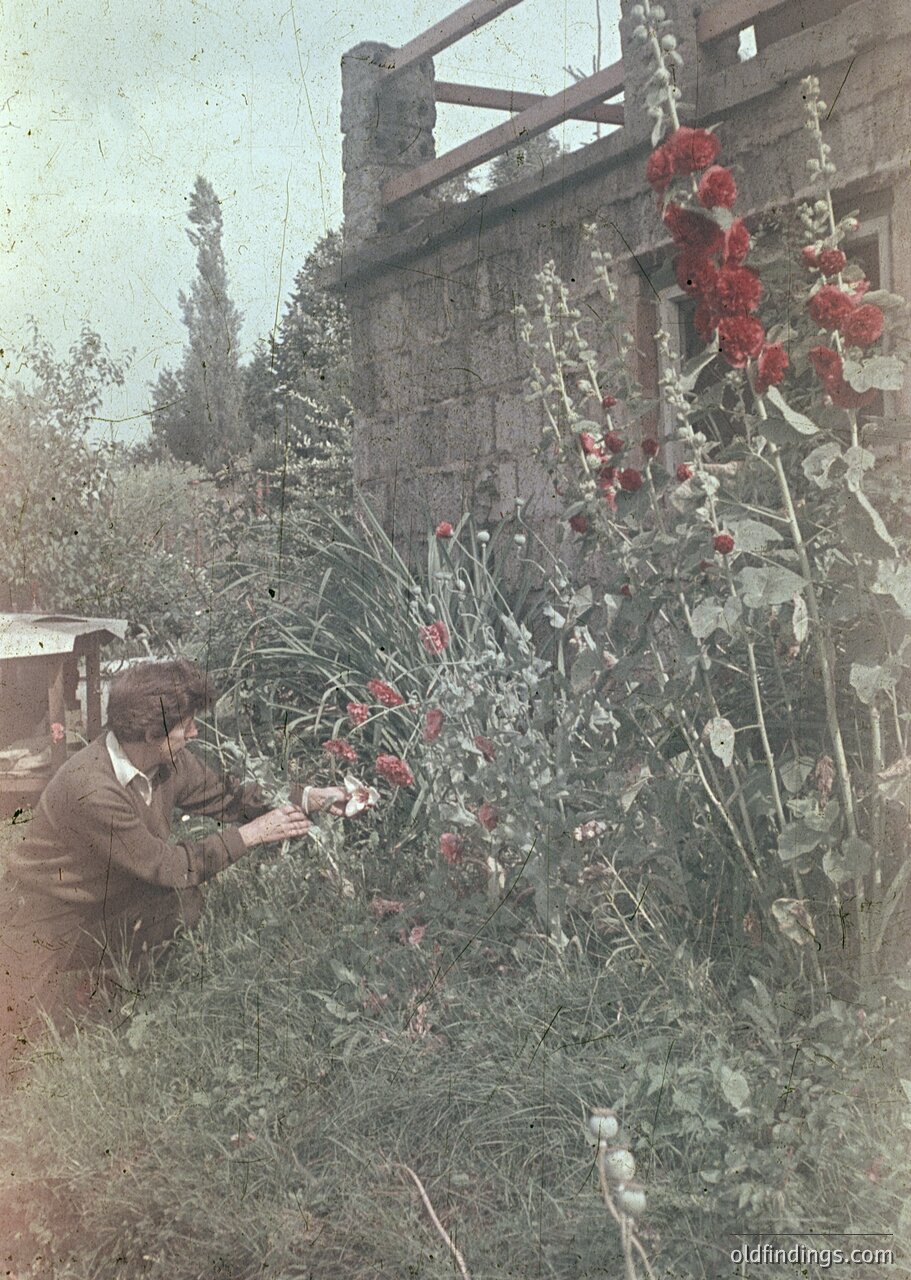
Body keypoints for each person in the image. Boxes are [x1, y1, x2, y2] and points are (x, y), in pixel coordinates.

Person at [0, 658, 345, 1081]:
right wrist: (252, 836)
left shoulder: (165, 763)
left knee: (182, 905)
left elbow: (229, 796)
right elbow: (165, 865)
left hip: (101, 902)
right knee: (18, 1041)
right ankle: (73, 998)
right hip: (39, 917)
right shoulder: (91, 788)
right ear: (150, 733)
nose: (195, 733)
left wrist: (308, 798)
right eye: (187, 725)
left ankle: (104, 993)